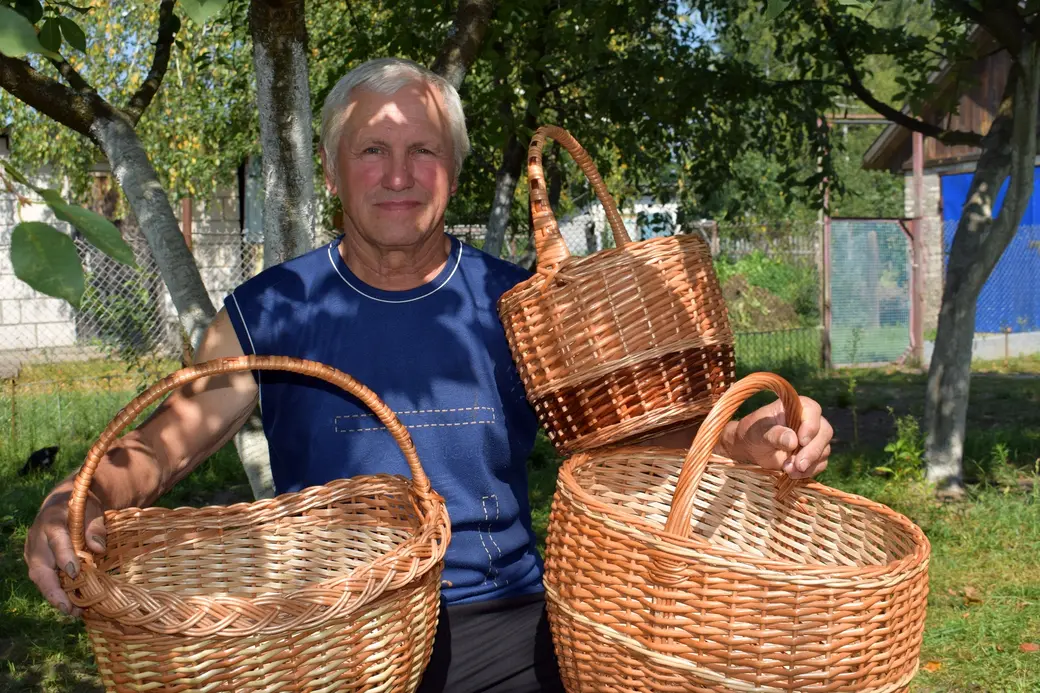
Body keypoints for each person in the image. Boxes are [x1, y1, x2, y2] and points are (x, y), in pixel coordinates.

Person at [24, 58, 834, 692]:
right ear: (335, 173)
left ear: (452, 170)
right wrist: (81, 496)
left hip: (505, 630)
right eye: (372, 150)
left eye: (423, 151)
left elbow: (629, 445)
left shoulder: (519, 304)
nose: (399, 174)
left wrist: (739, 439)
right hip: (327, 640)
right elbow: (169, 440)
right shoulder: (272, 309)